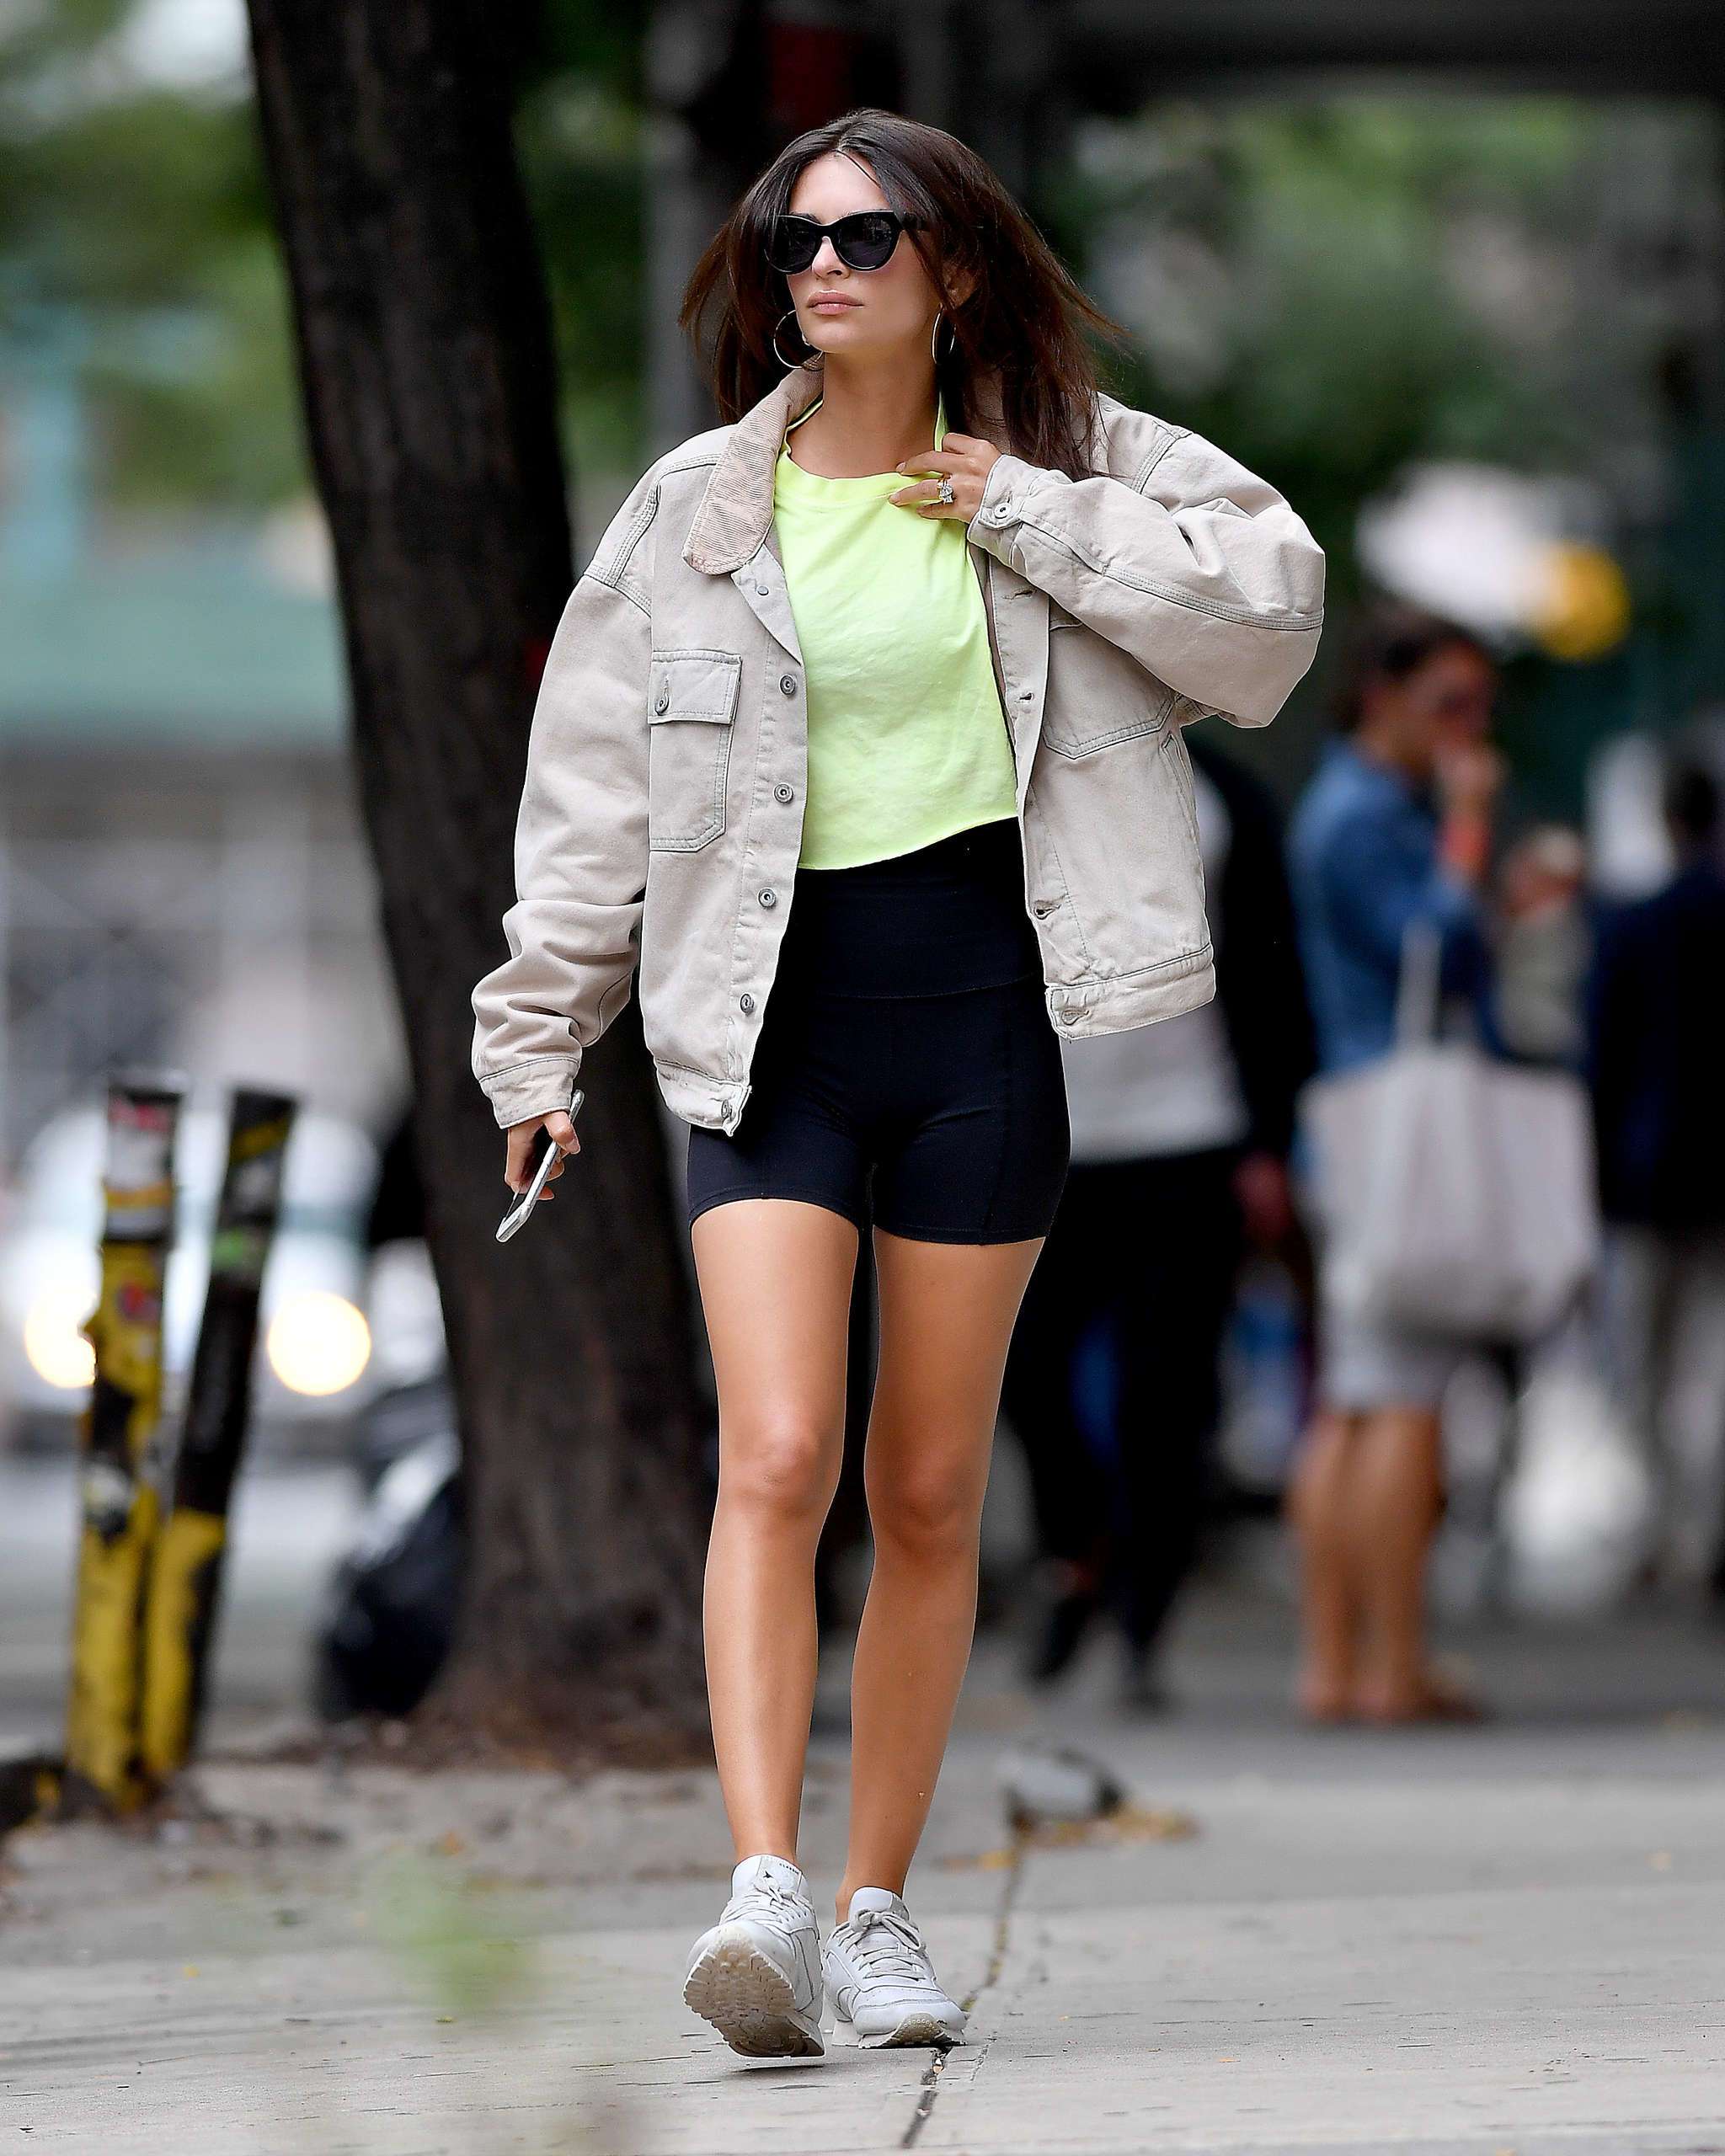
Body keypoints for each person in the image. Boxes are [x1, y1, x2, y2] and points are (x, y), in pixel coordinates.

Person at [470, 108, 1324, 2059]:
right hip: (765, 1033)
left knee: (929, 1484)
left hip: (977, 1030)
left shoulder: (1078, 455)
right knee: (777, 1452)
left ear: (952, 264)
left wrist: (1021, 508)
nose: (822, 269)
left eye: (865, 236)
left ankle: (875, 1908)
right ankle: (762, 1888)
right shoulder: (694, 510)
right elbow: (590, 803)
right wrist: (537, 1038)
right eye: (794, 241)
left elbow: (1268, 616)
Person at [1001, 732, 1316, 1710]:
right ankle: (1072, 1544)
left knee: (1166, 1394)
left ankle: (1144, 1616)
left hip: (1191, 1131)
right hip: (1041, 1132)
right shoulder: (1002, 762)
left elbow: (1272, 967)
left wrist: (1267, 1140)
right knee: (1019, 1369)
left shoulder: (1224, 794)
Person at [1286, 602, 1500, 1725]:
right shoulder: (1365, 814)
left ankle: (1340, 1661)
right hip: (1390, 1122)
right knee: (1401, 1391)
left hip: (1360, 1116)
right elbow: (1432, 945)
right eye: (1447, 704)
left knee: (1357, 1395)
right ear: (1382, 697)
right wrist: (1468, 835)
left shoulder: (1351, 805)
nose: (1467, 730)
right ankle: (1390, 1665)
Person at [1588, 756, 1725, 1590]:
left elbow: (1602, 1054)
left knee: (1644, 1360)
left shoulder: (1633, 924)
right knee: (1707, 1356)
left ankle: (1657, 1525)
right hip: (1707, 1170)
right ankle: (1705, 1525)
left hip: (1646, 1171)